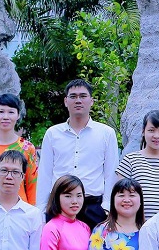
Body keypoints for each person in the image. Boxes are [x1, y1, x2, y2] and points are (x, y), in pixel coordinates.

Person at [36, 79, 119, 229]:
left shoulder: (106, 133)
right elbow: (45, 174)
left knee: (95, 245)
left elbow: (111, 173)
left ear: (91, 101)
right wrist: (41, 210)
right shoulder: (53, 134)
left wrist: (107, 207)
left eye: (83, 96)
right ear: (65, 101)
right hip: (59, 205)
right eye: (73, 96)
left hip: (93, 207)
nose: (78, 100)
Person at [116, 110, 159, 221]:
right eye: (151, 130)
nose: (156, 136)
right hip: (136, 225)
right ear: (143, 131)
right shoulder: (130, 160)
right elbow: (120, 196)